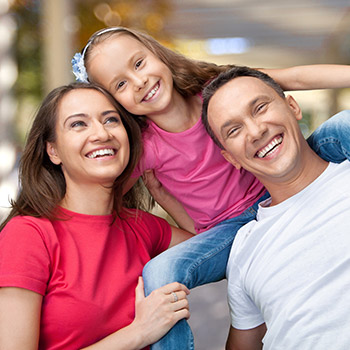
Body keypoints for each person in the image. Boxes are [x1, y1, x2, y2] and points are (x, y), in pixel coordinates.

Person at [71, 26, 350, 349]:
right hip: (229, 230)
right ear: (116, 103)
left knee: (341, 124)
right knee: (159, 273)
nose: (139, 81)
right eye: (121, 84)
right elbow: (100, 196)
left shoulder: (216, 91)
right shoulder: (145, 149)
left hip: (276, 176)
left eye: (139, 64)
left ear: (157, 53)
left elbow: (296, 78)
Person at [0, 83, 194, 350]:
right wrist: (139, 332)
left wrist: (166, 198)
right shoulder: (29, 234)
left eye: (111, 120)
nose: (101, 133)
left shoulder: (141, 226)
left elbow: (213, 250)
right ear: (53, 151)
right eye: (79, 124)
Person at [202, 66, 350, 349]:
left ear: (292, 106)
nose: (256, 131)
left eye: (260, 108)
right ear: (230, 158)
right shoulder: (244, 247)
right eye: (234, 129)